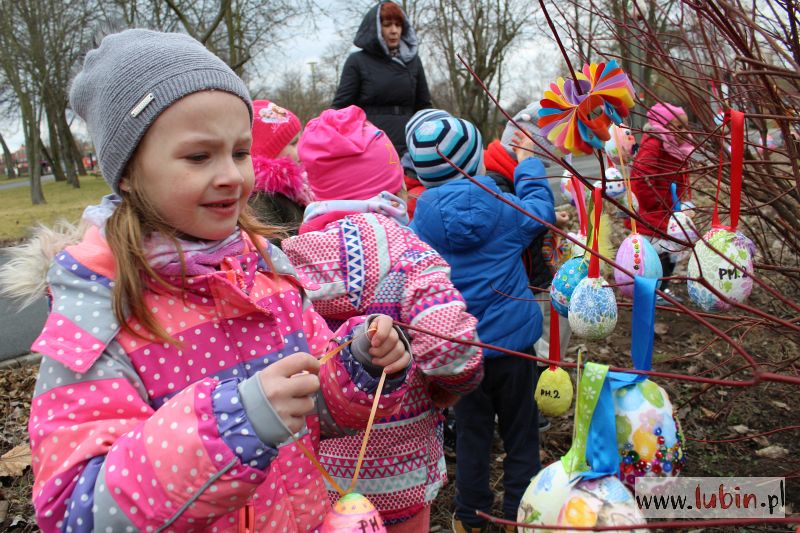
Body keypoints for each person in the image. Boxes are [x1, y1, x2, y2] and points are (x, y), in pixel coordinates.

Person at [9, 29, 412, 532]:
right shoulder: (101, 310)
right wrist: (231, 426)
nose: (231, 176)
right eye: (199, 157)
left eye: (240, 153)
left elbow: (313, 407)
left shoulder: (265, 268)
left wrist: (356, 366)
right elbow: (74, 511)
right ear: (128, 171)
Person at [279, 105, 483, 532]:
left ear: (315, 192)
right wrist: (451, 387)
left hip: (322, 470)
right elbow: (451, 349)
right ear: (392, 186)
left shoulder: (290, 263)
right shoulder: (410, 255)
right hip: (401, 471)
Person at [407, 116, 556, 532]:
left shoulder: (421, 221)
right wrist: (526, 163)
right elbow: (542, 212)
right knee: (522, 431)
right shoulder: (504, 209)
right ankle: (517, 514)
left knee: (472, 435)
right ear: (476, 160)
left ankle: (471, 518)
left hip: (461, 351)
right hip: (514, 348)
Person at [484, 104, 572, 369]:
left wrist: (551, 216)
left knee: (553, 326)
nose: (540, 171)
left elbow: (525, 212)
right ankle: (540, 372)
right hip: (519, 287)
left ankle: (546, 365)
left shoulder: (513, 175)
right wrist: (530, 169)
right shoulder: (495, 180)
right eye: (538, 162)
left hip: (534, 276)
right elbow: (524, 219)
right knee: (532, 348)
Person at [332, 1, 431, 156]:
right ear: (375, 29)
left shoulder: (413, 61)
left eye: (398, 25)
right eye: (387, 25)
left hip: (410, 146)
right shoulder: (357, 61)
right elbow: (341, 108)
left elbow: (424, 106)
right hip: (371, 145)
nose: (394, 31)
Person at [629, 102, 693, 300]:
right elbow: (641, 175)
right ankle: (654, 291)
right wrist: (656, 203)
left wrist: (681, 203)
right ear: (664, 125)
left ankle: (661, 289)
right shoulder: (655, 142)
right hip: (654, 210)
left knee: (670, 250)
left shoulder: (677, 146)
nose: (685, 131)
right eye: (679, 126)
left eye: (686, 126)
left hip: (669, 209)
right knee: (659, 253)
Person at [248, 99, 314, 238]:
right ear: (268, 153)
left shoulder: (298, 188)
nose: (302, 147)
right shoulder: (259, 202)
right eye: (294, 143)